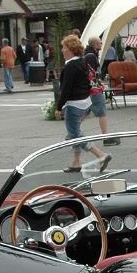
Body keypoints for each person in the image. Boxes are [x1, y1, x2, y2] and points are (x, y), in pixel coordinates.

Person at [54, 35, 111, 174]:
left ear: (71, 49)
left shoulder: (70, 66)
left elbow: (66, 89)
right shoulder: (82, 62)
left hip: (74, 104)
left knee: (74, 133)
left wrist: (58, 107)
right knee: (74, 132)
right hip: (84, 102)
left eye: (64, 47)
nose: (62, 50)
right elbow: (87, 83)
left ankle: (100, 155)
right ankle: (76, 162)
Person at [84, 37, 121, 147]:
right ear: (95, 44)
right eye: (100, 42)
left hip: (89, 89)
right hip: (94, 89)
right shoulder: (91, 56)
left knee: (84, 112)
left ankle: (72, 134)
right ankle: (105, 137)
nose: (101, 43)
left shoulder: (89, 54)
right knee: (102, 112)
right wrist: (99, 84)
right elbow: (93, 73)